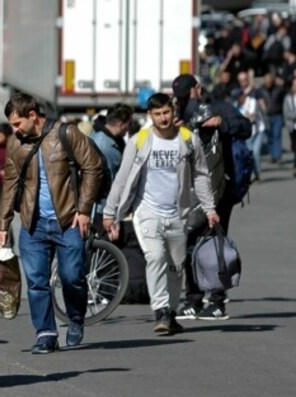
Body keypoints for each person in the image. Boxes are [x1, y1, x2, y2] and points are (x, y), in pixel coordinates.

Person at [102, 93, 218, 335]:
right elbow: (122, 178)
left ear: (173, 111)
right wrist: (110, 212)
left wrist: (209, 208)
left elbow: (201, 175)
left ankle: (171, 312)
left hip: (178, 213)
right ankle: (161, 311)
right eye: (157, 114)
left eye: (166, 113)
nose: (163, 118)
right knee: (155, 257)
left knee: (177, 267)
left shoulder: (187, 139)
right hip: (147, 212)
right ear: (150, 116)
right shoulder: (140, 140)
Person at [0, 92, 102, 354]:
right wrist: (3, 224)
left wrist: (85, 209)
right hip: (33, 224)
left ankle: (75, 318)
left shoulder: (66, 134)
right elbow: (9, 183)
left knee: (72, 277)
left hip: (68, 221)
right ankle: (45, 333)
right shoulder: (15, 143)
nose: (14, 130)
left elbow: (93, 166)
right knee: (36, 282)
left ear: (33, 116)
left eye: (18, 123)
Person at [172, 74, 252, 320]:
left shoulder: (218, 107)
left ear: (198, 88)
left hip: (220, 187)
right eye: (181, 97)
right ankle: (194, 299)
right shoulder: (179, 112)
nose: (185, 101)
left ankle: (217, 301)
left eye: (188, 95)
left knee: (214, 242)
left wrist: (221, 123)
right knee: (189, 244)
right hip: (190, 188)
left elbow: (246, 127)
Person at [89, 103, 134, 179]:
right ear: (121, 125)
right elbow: (110, 180)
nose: (129, 128)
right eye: (129, 124)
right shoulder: (104, 147)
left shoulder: (112, 138)